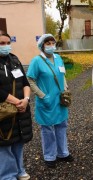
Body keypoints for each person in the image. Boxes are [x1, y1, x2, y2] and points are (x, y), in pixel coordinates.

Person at [26, 34, 73, 168]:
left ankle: (63, 153)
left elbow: (62, 74)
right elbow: (30, 79)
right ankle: (50, 156)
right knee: (47, 129)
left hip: (60, 99)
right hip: (46, 100)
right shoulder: (37, 61)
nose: (51, 46)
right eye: (48, 43)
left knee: (61, 125)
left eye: (53, 43)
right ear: (42, 46)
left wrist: (65, 87)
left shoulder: (58, 58)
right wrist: (42, 95)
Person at [0, 31, 32, 180]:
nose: (6, 46)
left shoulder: (14, 59)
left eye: (8, 43)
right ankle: (7, 175)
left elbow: (25, 82)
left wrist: (25, 99)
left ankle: (20, 170)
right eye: (1, 43)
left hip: (20, 108)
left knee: (18, 139)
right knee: (5, 143)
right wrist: (16, 101)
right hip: (4, 111)